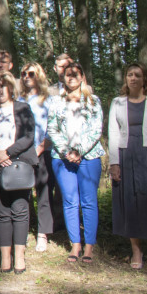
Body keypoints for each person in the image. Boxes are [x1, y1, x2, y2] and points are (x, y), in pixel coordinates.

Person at [108, 63, 147, 270]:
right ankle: (136, 249)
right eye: (129, 75)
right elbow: (113, 134)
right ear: (126, 79)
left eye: (137, 75)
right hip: (126, 154)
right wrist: (114, 162)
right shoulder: (117, 103)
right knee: (130, 200)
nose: (133, 78)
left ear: (145, 79)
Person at [47, 61, 105, 264]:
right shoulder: (55, 102)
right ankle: (75, 244)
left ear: (82, 77)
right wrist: (66, 152)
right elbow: (52, 129)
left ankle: (89, 245)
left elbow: (96, 129)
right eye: (67, 74)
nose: (70, 77)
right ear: (63, 77)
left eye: (75, 74)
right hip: (62, 159)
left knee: (89, 202)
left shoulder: (93, 101)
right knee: (70, 201)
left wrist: (78, 151)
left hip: (88, 158)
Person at [0, 71, 37, 273]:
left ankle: (20, 257)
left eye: (2, 86)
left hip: (18, 166)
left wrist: (8, 153)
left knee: (20, 211)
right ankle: (5, 258)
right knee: (2, 213)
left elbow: (29, 136)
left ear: (11, 88)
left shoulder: (23, 108)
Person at [18, 62, 59, 252]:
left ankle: (43, 234)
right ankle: (23, 231)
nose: (27, 76)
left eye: (31, 73)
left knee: (44, 193)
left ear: (39, 75)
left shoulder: (48, 99)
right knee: (23, 193)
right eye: (24, 73)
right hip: (22, 153)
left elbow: (53, 126)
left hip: (43, 151)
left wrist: (41, 147)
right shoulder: (18, 99)